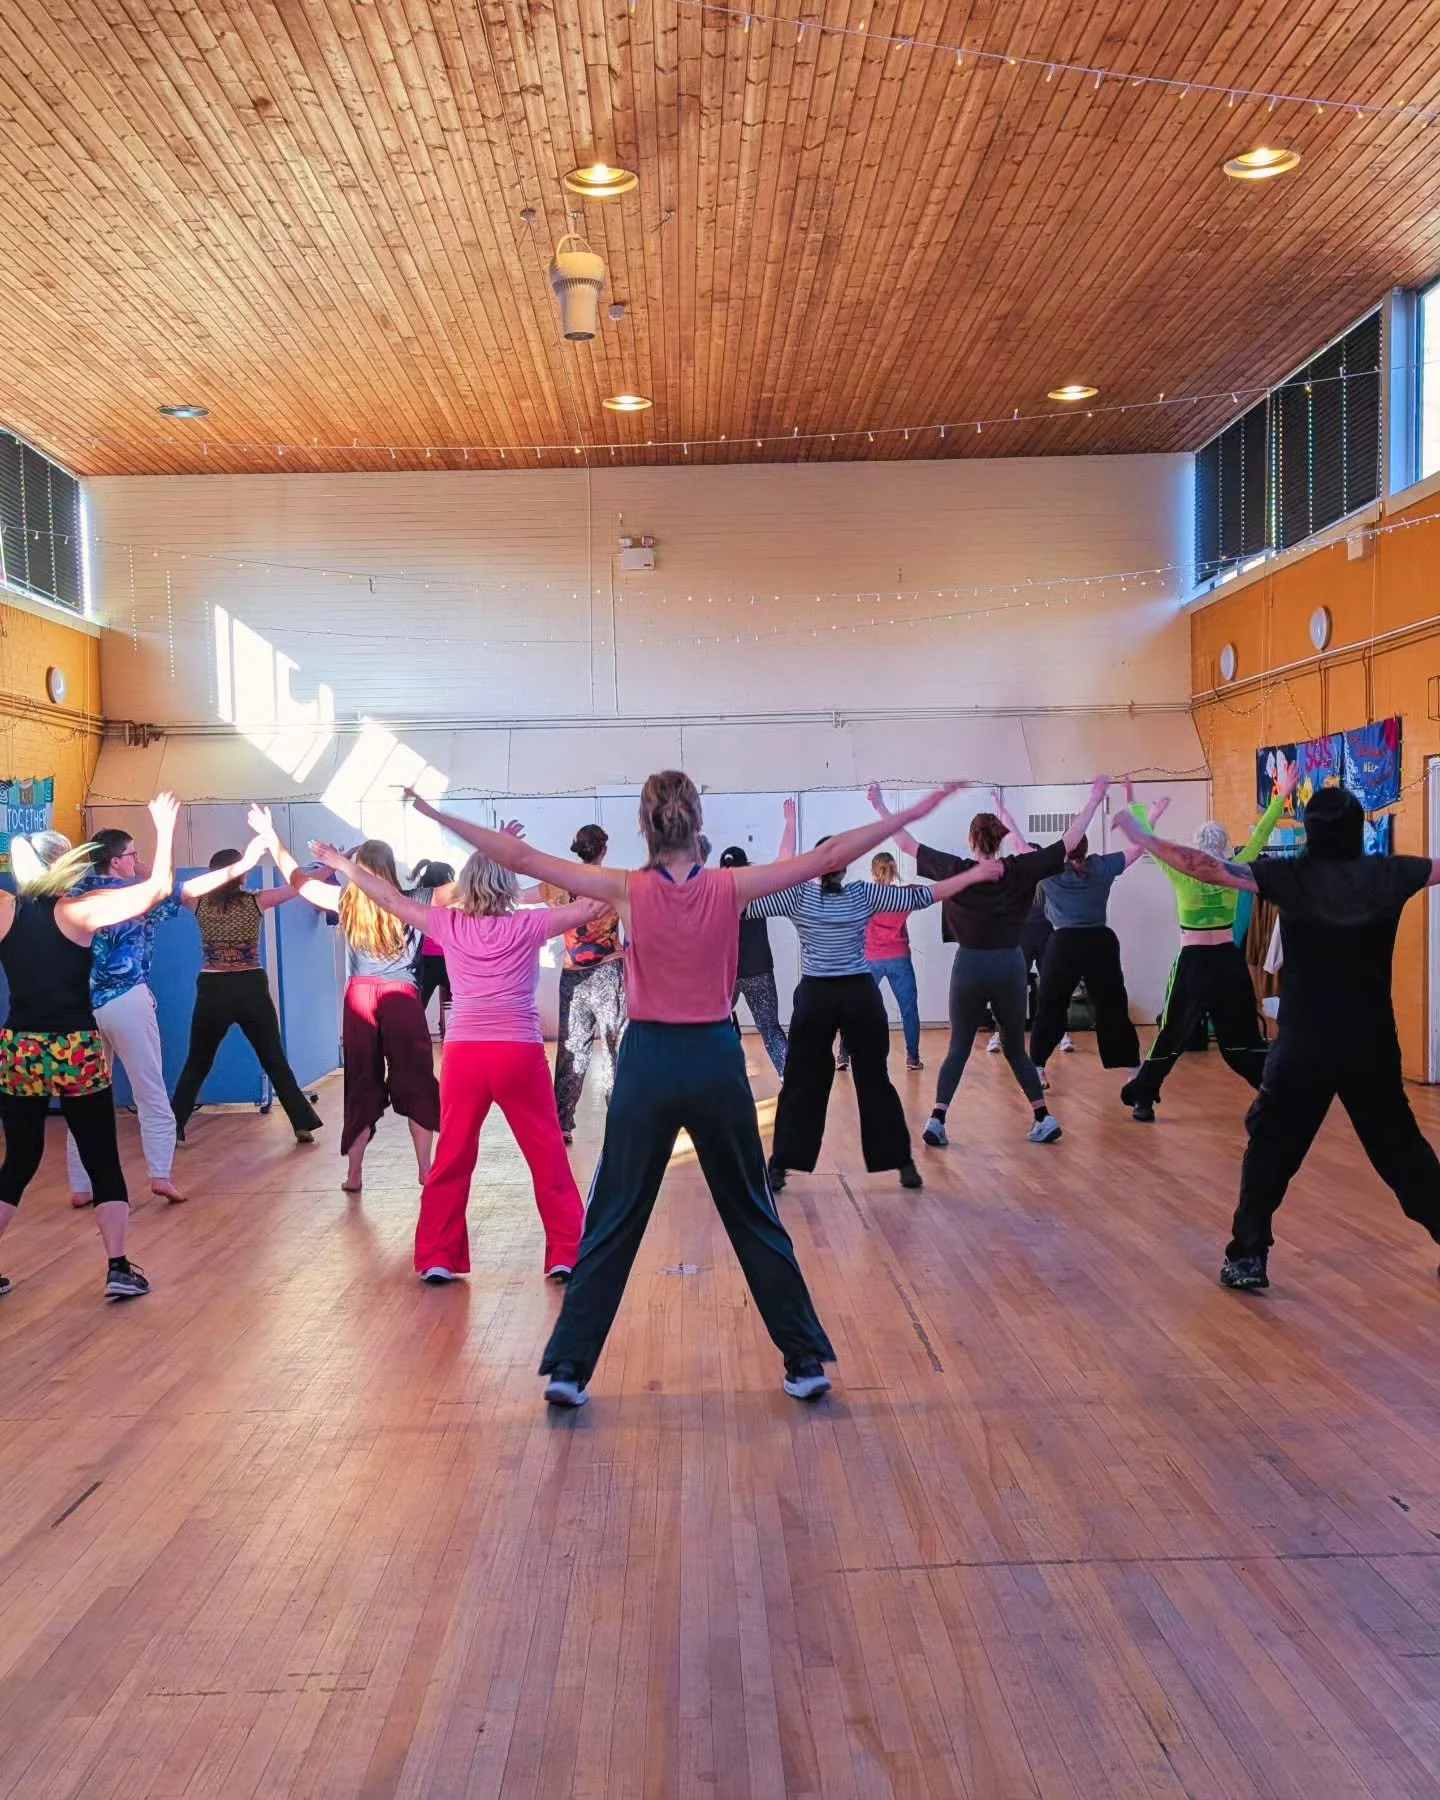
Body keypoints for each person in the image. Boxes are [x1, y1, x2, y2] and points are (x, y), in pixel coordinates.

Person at [401, 773, 966, 1411]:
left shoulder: (627, 889)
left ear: (646, 827)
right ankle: (804, 1360)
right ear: (697, 826)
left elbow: (520, 859)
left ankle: (568, 1369)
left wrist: (431, 810)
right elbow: (831, 858)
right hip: (714, 1059)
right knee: (751, 1209)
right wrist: (916, 809)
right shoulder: (730, 885)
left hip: (649, 1063)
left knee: (614, 1213)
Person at [1115, 787, 1440, 1291]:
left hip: (1304, 1047)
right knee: (1401, 1151)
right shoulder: (1390, 873)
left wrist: (1147, 837)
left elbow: (1205, 866)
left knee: (1270, 1149)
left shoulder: (1289, 876)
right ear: (1358, 829)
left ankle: (1248, 1256)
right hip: (1371, 1046)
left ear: (1310, 832)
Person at [306, 838, 599, 1284]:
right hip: (517, 1054)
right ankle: (567, 1252)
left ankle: (438, 1256)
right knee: (547, 1154)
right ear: (507, 885)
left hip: (466, 1057)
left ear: (467, 886)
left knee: (453, 1157)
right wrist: (602, 869)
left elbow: (385, 896)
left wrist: (339, 862)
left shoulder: (446, 924)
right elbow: (592, 906)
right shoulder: (531, 925)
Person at [0, 795, 180, 1302]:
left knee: (20, 1158)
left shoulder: (4, 908)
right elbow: (158, 889)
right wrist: (164, 829)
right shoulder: (78, 912)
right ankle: (119, 1267)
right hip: (74, 1046)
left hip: (20, 1047)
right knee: (102, 1154)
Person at [869, 778, 1108, 1147]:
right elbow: (1070, 843)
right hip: (1010, 967)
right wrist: (1094, 799)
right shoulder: (1021, 869)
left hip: (970, 967)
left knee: (959, 1046)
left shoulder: (955, 869)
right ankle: (1043, 1116)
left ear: (971, 841)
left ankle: (937, 1119)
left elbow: (904, 843)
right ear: (999, 840)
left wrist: (881, 806)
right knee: (1014, 1047)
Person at [753, 840, 999, 1193]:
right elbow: (924, 896)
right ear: (844, 867)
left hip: (817, 995)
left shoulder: (797, 896)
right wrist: (975, 873)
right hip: (858, 995)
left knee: (801, 1080)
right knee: (874, 1079)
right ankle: (902, 1163)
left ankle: (780, 1166)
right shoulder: (864, 894)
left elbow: (747, 901)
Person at [260, 811, 440, 1191]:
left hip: (361, 996)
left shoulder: (345, 901)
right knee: (416, 1080)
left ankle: (353, 1173)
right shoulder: (416, 898)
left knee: (360, 1083)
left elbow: (297, 880)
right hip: (402, 997)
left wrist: (271, 836)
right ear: (391, 867)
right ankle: (425, 1169)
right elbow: (468, 890)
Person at [1118, 759, 1297, 1122]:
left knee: (1172, 1033)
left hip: (1194, 963)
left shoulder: (1183, 871)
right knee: (1241, 1037)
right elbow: (1262, 832)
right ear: (1226, 845)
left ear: (1195, 847)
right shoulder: (1238, 866)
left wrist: (1137, 802)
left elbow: (1148, 842)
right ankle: (1277, 1093)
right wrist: (1282, 794)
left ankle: (1143, 1098)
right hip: (1228, 962)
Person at [169, 837, 323, 1145]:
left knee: (198, 1061)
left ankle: (173, 1127)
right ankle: (301, 1122)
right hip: (251, 985)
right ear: (239, 873)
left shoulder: (197, 902)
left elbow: (172, 887)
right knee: (274, 1059)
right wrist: (332, 864)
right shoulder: (257, 901)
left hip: (212, 988)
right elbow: (299, 886)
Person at [64, 826, 187, 1208]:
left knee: (84, 1097)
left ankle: (81, 1186)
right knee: (149, 1090)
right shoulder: (136, 895)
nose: (136, 859)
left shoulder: (75, 895)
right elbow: (169, 894)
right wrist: (150, 869)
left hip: (82, 1004)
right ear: (117, 860)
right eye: (132, 854)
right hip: (127, 997)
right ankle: (160, 1174)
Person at [1028, 783, 1171, 1085]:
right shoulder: (1101, 866)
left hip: (1064, 942)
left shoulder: (1050, 873)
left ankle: (1038, 1065)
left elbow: (1019, 845)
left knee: (1051, 1003)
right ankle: (1132, 1067)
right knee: (1112, 1003)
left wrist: (1003, 814)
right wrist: (1153, 816)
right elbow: (1137, 848)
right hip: (1100, 943)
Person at [551, 824, 627, 1145]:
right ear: (603, 850)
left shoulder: (559, 883)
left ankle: (561, 1123)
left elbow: (521, 895)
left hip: (573, 977)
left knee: (572, 1049)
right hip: (609, 971)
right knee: (615, 1048)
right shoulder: (615, 883)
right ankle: (621, 1119)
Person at [722, 839, 788, 1079]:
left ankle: (718, 1082)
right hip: (758, 970)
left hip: (726, 974)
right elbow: (783, 865)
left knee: (713, 1030)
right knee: (770, 1029)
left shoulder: (716, 894)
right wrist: (790, 825)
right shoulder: (757, 889)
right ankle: (790, 1079)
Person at [865, 850, 924, 1071]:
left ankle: (844, 1055)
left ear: (873, 871)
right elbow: (922, 891)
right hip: (899, 957)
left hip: (871, 958)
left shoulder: (866, 895)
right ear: (894, 870)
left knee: (857, 1007)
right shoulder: (903, 896)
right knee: (909, 1009)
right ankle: (912, 1058)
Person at [409, 859, 455, 1037]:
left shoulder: (418, 898)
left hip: (425, 961)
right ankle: (449, 1035)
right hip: (447, 961)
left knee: (418, 1007)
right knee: (459, 1004)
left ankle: (416, 1038)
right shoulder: (449, 901)